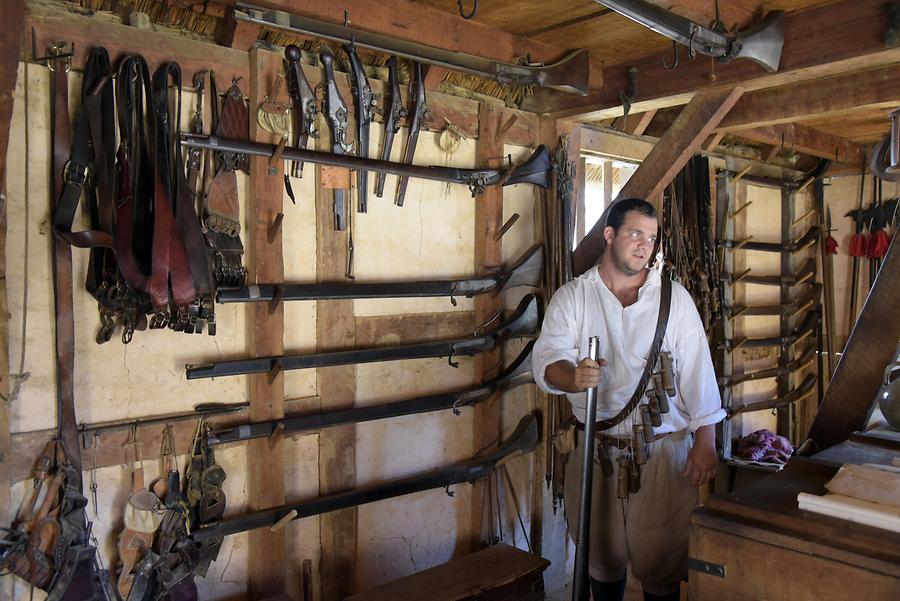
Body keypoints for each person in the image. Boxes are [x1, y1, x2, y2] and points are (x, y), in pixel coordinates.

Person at [532, 197, 725, 601]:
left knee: (661, 569)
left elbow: (697, 375)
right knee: (601, 562)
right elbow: (548, 362)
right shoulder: (573, 297)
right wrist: (574, 377)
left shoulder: (675, 300)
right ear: (609, 235)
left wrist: (705, 442)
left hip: (662, 453)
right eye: (635, 234)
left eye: (651, 238)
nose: (644, 246)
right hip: (594, 452)